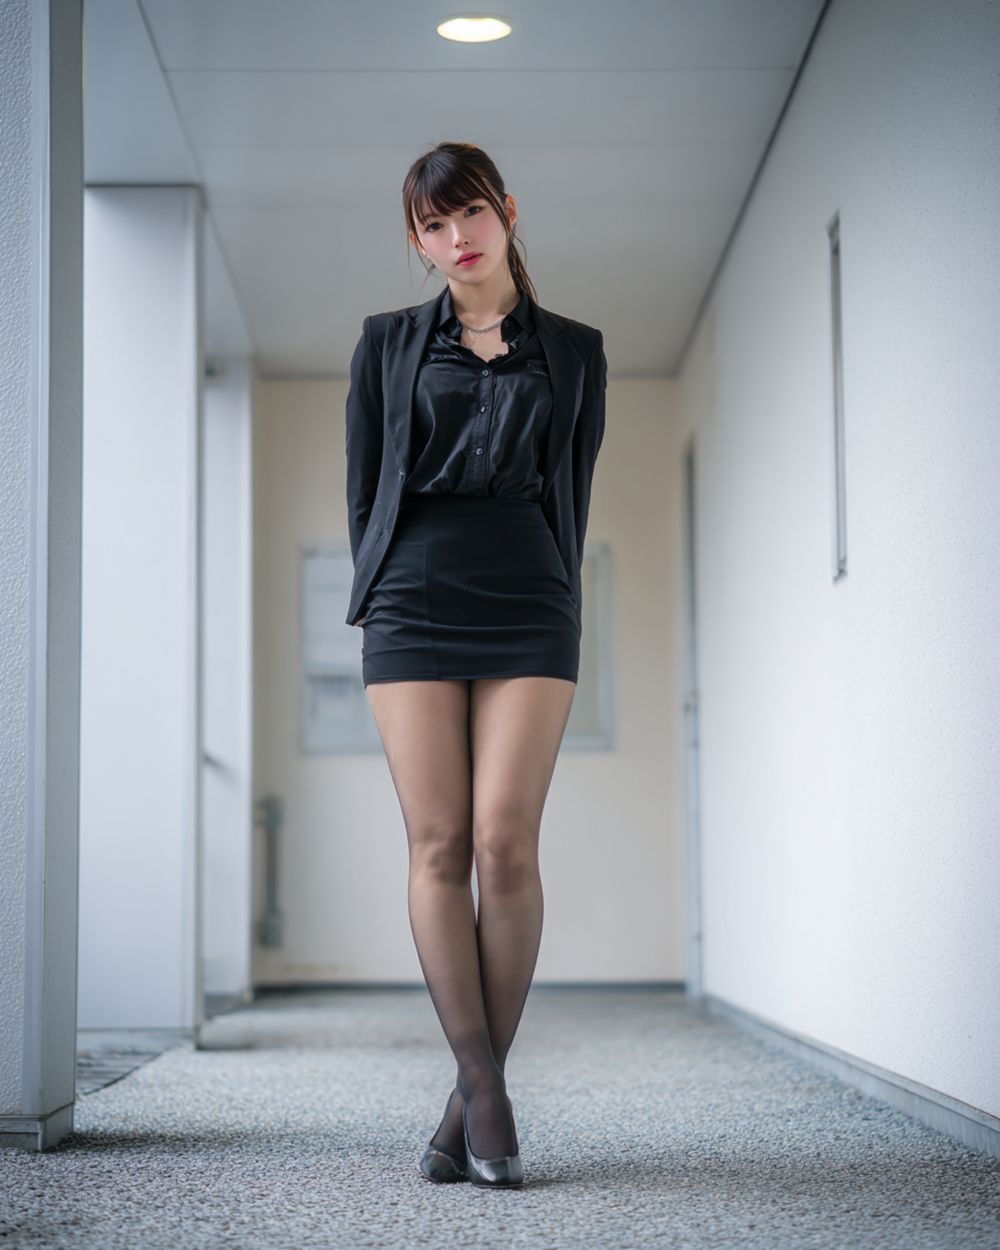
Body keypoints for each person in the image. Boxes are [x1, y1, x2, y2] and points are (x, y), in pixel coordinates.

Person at [345, 142, 606, 1188]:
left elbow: (572, 488)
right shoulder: (386, 344)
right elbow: (365, 490)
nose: (457, 238)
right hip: (412, 595)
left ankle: (463, 1100)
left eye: (471, 214)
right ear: (417, 241)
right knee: (441, 839)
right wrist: (375, 596)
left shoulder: (575, 351)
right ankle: (487, 1091)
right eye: (433, 225)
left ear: (507, 211)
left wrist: (563, 595)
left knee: (505, 839)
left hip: (529, 596)